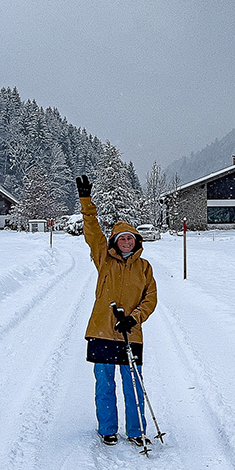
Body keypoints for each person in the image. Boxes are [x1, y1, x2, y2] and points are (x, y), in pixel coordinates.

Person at [76, 174, 158, 446]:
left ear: (136, 241)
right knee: (104, 384)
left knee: (133, 384)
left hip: (129, 334)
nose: (126, 242)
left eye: (130, 238)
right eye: (121, 239)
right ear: (114, 242)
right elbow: (92, 230)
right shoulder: (104, 258)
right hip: (101, 331)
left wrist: (134, 320)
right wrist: (86, 202)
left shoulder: (144, 267)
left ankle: (136, 432)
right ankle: (108, 429)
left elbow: (150, 299)